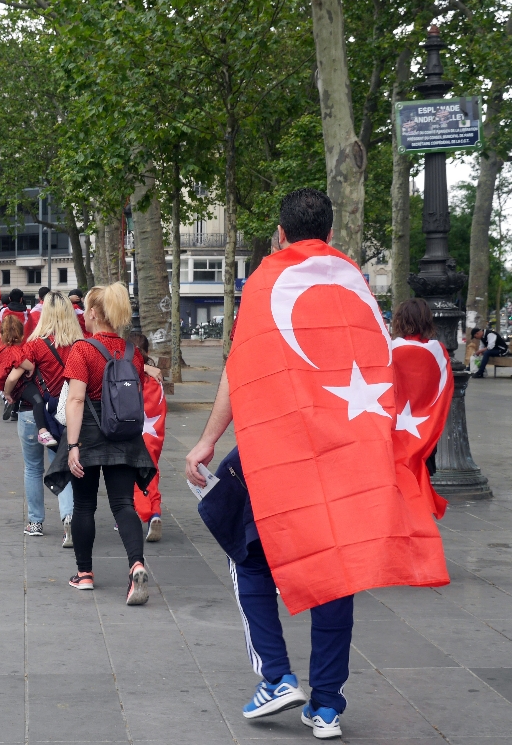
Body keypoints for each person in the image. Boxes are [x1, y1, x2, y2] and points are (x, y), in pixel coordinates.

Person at [186, 189, 448, 739]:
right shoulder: (355, 282)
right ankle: (327, 705)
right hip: (346, 449)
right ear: (330, 233)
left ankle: (276, 676)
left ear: (280, 233)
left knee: (243, 547)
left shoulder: (266, 282)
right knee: (338, 566)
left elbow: (241, 368)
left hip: (280, 446)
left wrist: (208, 440)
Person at [45, 283, 158, 605]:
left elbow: (76, 399)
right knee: (124, 504)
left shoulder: (82, 350)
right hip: (124, 436)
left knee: (84, 506)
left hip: (90, 436)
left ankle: (84, 574)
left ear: (93, 313)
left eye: (86, 310)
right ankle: (136, 564)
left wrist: (73, 445)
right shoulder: (132, 353)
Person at [5, 291, 83, 544]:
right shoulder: (79, 345)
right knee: (62, 465)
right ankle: (68, 517)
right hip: (64, 414)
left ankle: (35, 521)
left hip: (32, 412)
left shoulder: (35, 344)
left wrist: (8, 393)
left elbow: (13, 377)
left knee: (32, 467)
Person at [391, 298, 454, 520]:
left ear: (400, 320)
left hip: (394, 429)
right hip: (423, 429)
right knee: (420, 472)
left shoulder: (389, 350)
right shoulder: (438, 351)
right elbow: (444, 388)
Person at [129, 333, 166, 542]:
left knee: (134, 476)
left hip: (134, 433)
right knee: (153, 473)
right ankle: (156, 512)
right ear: (148, 352)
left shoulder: (129, 377)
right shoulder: (156, 380)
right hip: (154, 433)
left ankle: (144, 512)